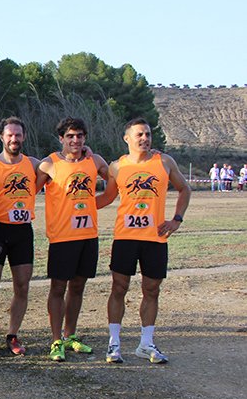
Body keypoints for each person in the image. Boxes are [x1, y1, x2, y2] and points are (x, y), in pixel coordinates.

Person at [96, 118, 191, 364]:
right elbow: (107, 197)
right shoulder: (117, 167)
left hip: (155, 239)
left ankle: (146, 343)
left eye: (148, 134)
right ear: (127, 138)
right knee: (119, 288)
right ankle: (113, 344)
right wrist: (79, 206)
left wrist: (176, 220)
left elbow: (185, 189)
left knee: (151, 290)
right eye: (139, 134)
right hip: (125, 237)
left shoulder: (165, 162)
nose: (145, 138)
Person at [37, 117, 109, 362]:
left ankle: (71, 335)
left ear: (85, 138)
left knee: (78, 286)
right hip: (62, 237)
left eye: (79, 136)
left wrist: (95, 204)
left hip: (88, 235)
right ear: (61, 139)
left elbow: (117, 182)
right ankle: (56, 339)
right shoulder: (50, 163)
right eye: (70, 136)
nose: (75, 140)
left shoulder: (95, 160)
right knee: (58, 287)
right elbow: (30, 191)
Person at [0, 117, 44, 357]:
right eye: (10, 135)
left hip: (22, 231)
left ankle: (13, 334)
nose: (14, 139)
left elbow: (60, 162)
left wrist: (85, 151)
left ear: (23, 137)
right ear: (1, 137)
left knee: (22, 285)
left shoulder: (34, 164)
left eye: (18, 135)